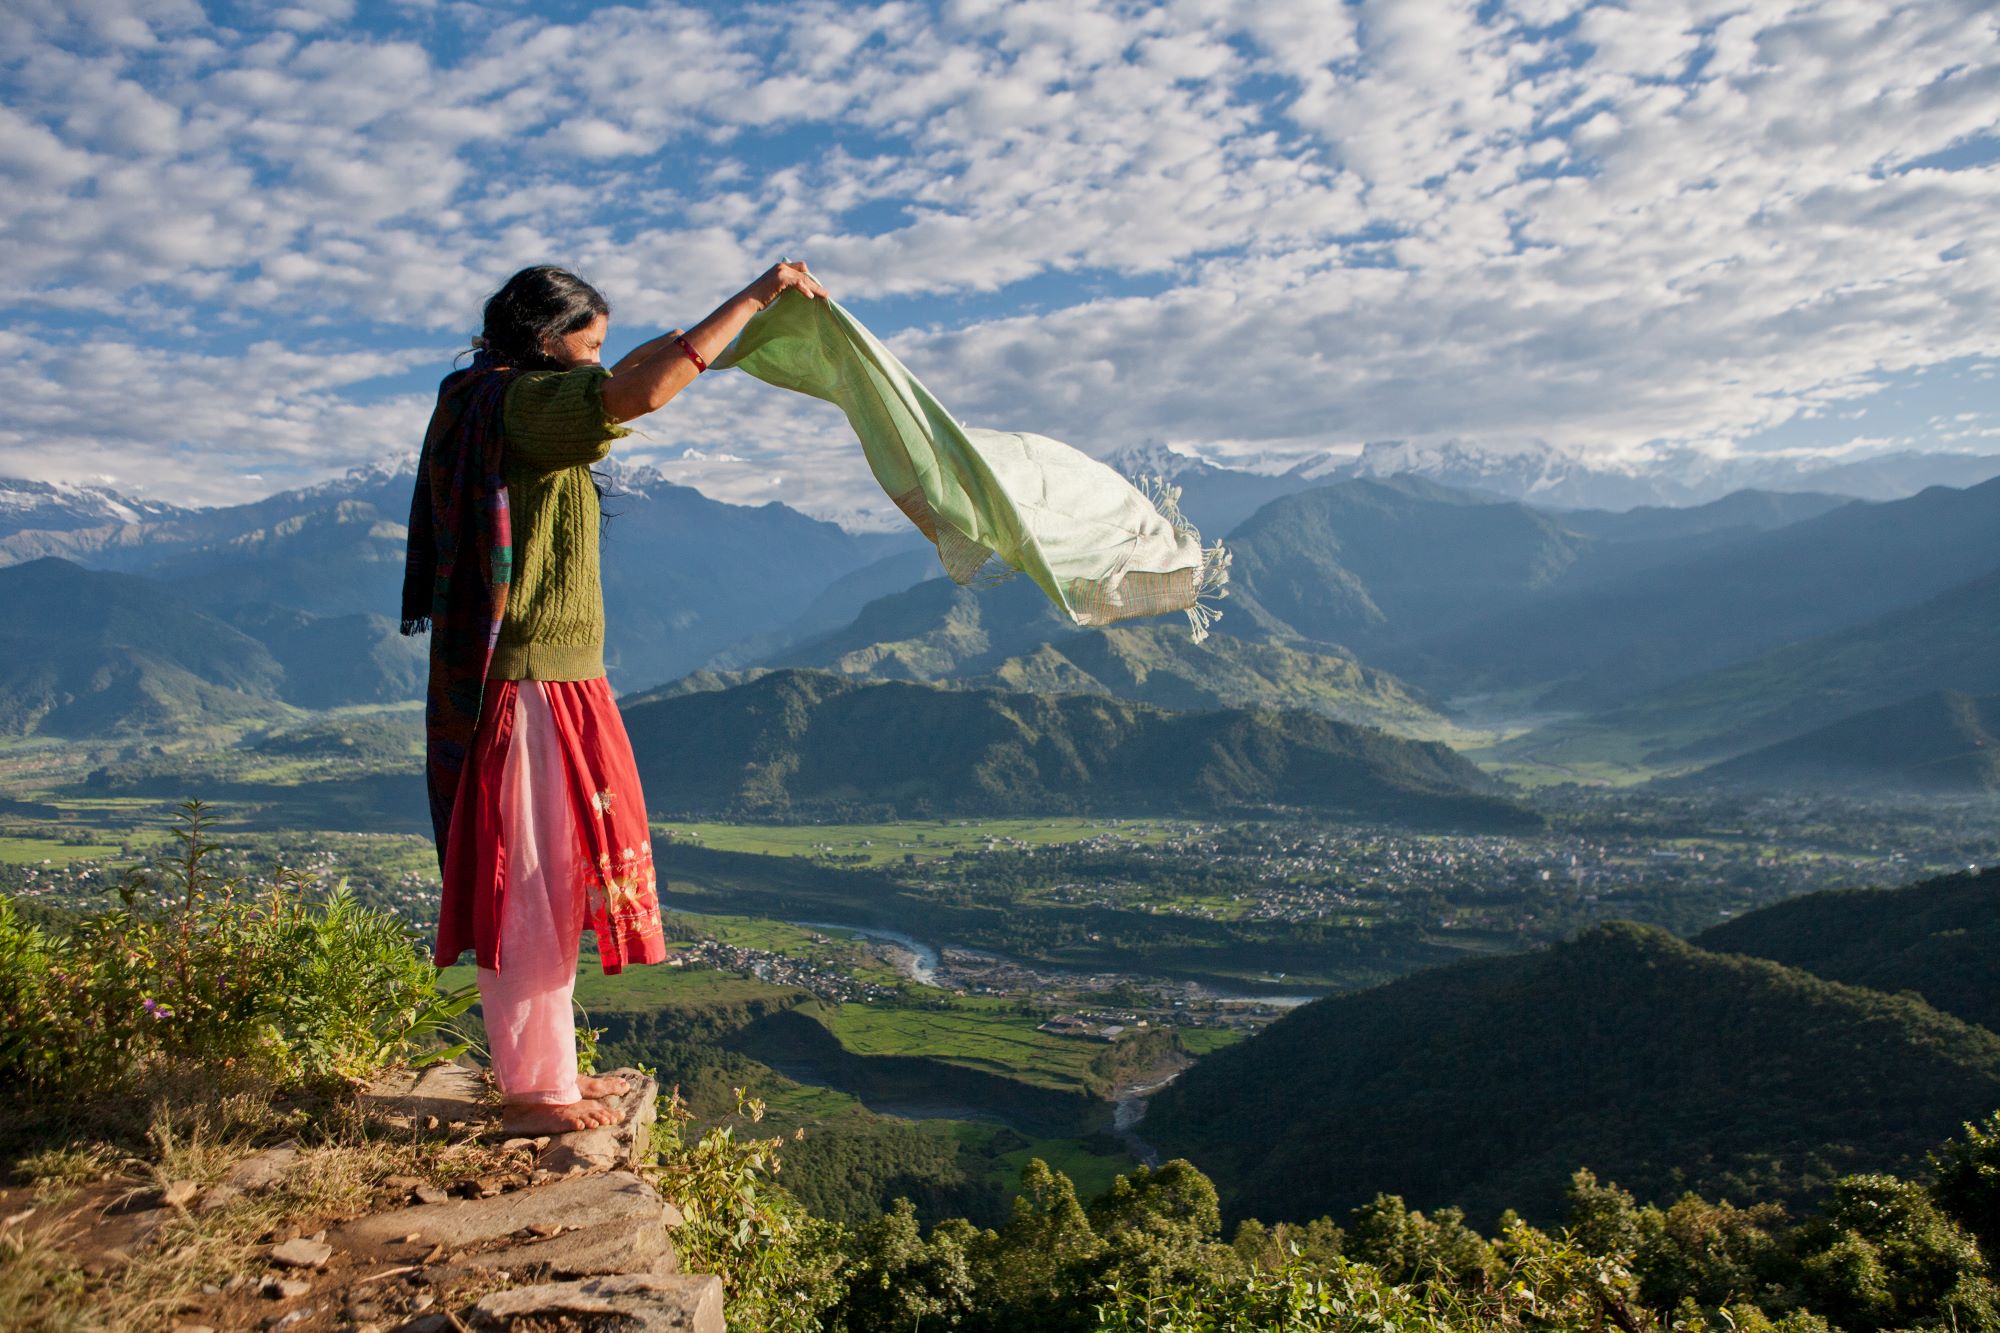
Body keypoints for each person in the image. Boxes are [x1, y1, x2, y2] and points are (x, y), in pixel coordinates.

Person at [403, 259, 830, 1133]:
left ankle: (546, 1074)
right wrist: (753, 298)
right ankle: (534, 1093)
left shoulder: (498, 399)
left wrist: (727, 316)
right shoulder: (522, 407)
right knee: (528, 887)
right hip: (530, 686)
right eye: (586, 346)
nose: (597, 364)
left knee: (549, 883)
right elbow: (637, 391)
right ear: (545, 341)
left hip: (553, 679)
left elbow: (627, 370)